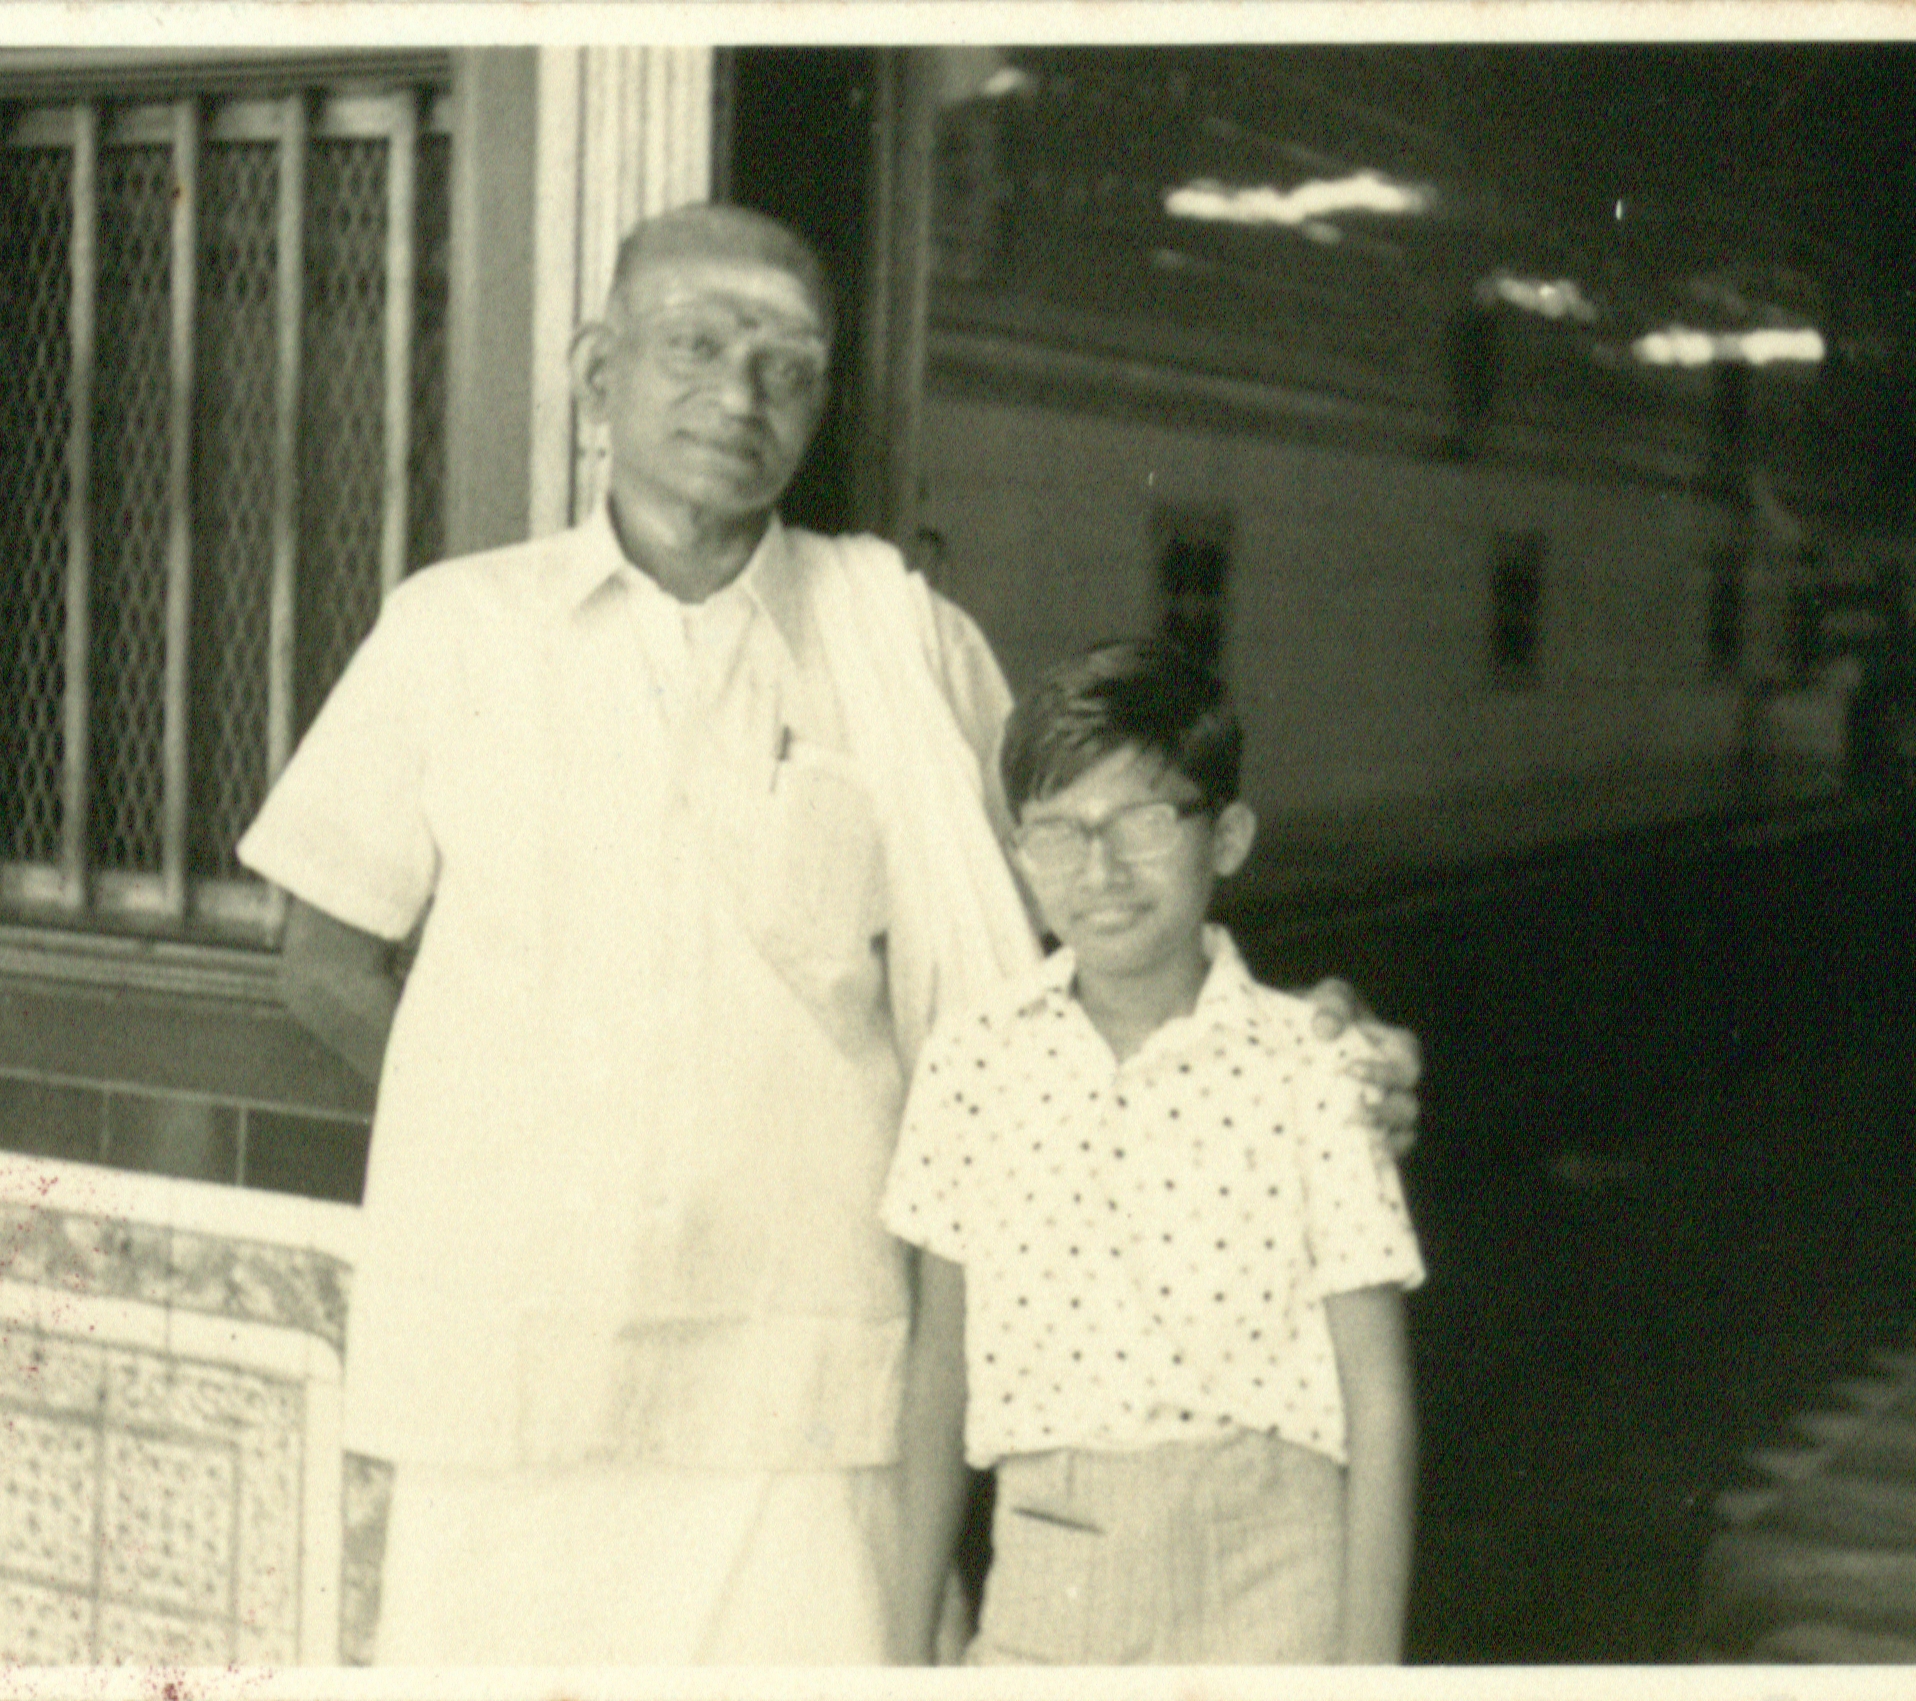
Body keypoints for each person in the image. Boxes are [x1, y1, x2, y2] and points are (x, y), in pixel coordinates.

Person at [237, 202, 1419, 1664]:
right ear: (597, 374)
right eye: (694, 345)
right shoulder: (456, 631)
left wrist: (1306, 1034)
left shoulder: (900, 635)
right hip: (519, 1358)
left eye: (785, 365)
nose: (738, 394)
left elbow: (1088, 913)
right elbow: (324, 959)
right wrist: (523, 1126)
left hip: (812, 1371)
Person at [879, 639, 1423, 1665]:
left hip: (1277, 1572)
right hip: (1048, 1567)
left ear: (1226, 838)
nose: (1100, 871)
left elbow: (1379, 1403)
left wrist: (1369, 1671)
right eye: (1056, 834)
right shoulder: (970, 1066)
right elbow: (936, 1374)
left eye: (1142, 821)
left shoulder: (1313, 1066)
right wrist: (904, 1650)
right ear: (1020, 856)